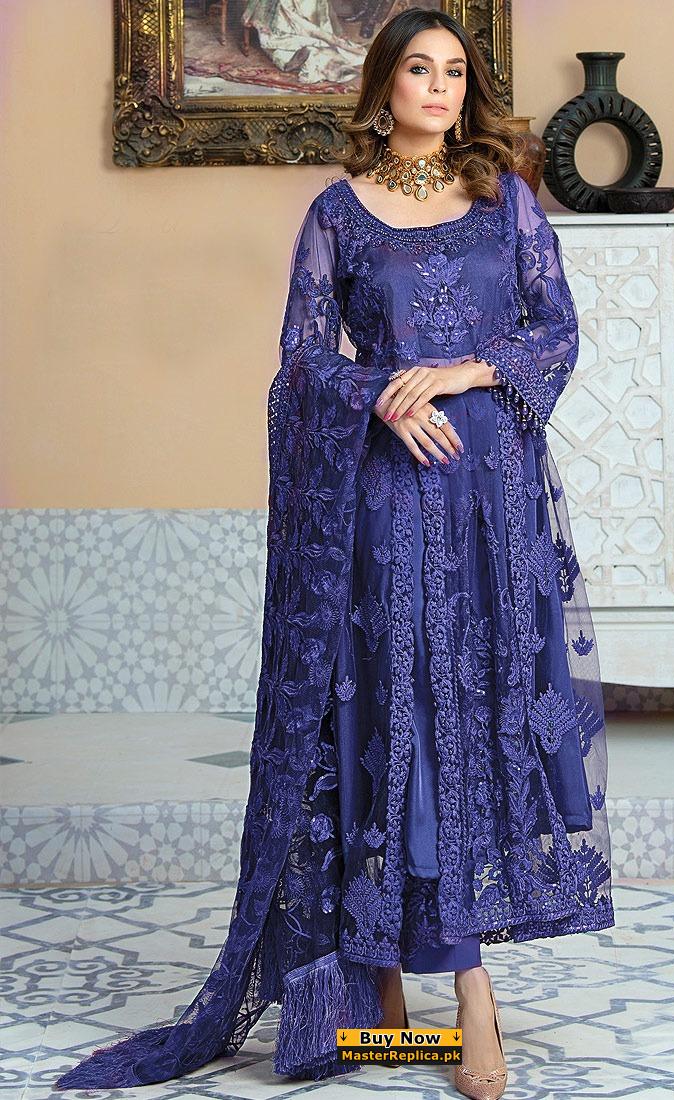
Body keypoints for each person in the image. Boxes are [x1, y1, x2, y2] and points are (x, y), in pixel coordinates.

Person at [55, 7, 614, 1098]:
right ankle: (401, 988)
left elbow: (556, 332)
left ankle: (465, 996)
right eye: (420, 69)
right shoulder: (338, 215)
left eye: (456, 72)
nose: (441, 88)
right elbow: (302, 363)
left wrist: (459, 371)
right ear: (383, 85)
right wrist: (380, 392)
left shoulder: (503, 201)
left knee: (477, 719)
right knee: (396, 727)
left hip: (490, 507)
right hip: (385, 504)